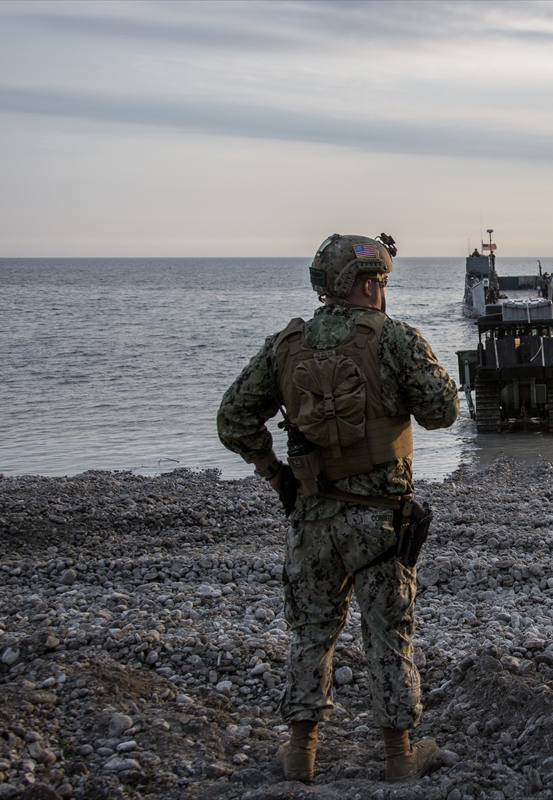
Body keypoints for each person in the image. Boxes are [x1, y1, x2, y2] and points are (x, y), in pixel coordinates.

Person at [217, 233, 459, 782]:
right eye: (382, 282)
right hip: (379, 522)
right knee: (389, 635)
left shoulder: (287, 344)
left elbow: (233, 418)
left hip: (312, 518)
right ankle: (398, 756)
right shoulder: (395, 338)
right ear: (370, 283)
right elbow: (443, 411)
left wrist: (275, 473)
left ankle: (301, 751)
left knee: (309, 632)